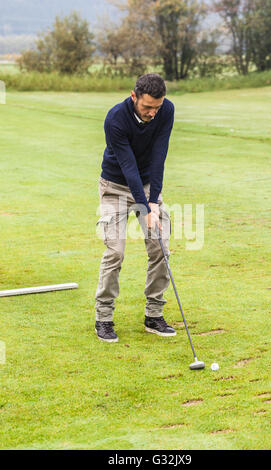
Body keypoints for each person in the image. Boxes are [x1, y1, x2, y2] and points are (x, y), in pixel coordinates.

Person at [94, 73, 175, 342]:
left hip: (149, 185)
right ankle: (103, 318)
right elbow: (128, 166)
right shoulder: (115, 118)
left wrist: (152, 202)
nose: (152, 113)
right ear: (134, 96)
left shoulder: (166, 111)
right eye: (146, 107)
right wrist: (145, 205)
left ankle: (154, 315)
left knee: (160, 247)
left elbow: (159, 156)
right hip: (115, 185)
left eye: (157, 107)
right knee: (115, 251)